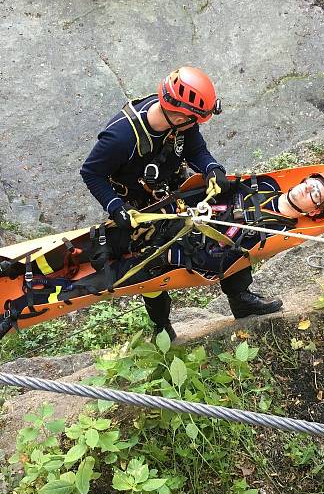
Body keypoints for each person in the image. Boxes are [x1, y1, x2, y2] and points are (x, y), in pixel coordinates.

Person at [0, 170, 324, 367]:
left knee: (96, 282)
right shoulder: (261, 187)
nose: (308, 190)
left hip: (174, 256)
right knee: (84, 246)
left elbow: (227, 261)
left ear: (315, 210)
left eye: (316, 195)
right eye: (311, 183)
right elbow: (204, 184)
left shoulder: (276, 230)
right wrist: (206, 183)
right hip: (161, 223)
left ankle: (5, 321)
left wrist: (205, 238)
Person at [77, 67, 283, 338]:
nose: (195, 125)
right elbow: (91, 173)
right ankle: (161, 326)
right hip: (140, 209)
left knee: (228, 227)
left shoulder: (182, 122)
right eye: (193, 120)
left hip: (175, 192)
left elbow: (195, 149)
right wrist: (116, 207)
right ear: (177, 114)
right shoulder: (121, 138)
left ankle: (240, 297)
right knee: (151, 264)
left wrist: (211, 169)